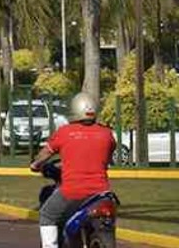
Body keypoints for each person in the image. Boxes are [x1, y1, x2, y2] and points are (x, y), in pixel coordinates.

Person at [29, 92, 115, 248]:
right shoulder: (107, 134)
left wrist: (35, 165)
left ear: (74, 109)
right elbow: (108, 158)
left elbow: (46, 153)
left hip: (72, 192)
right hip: (102, 193)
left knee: (47, 215)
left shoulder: (65, 132)